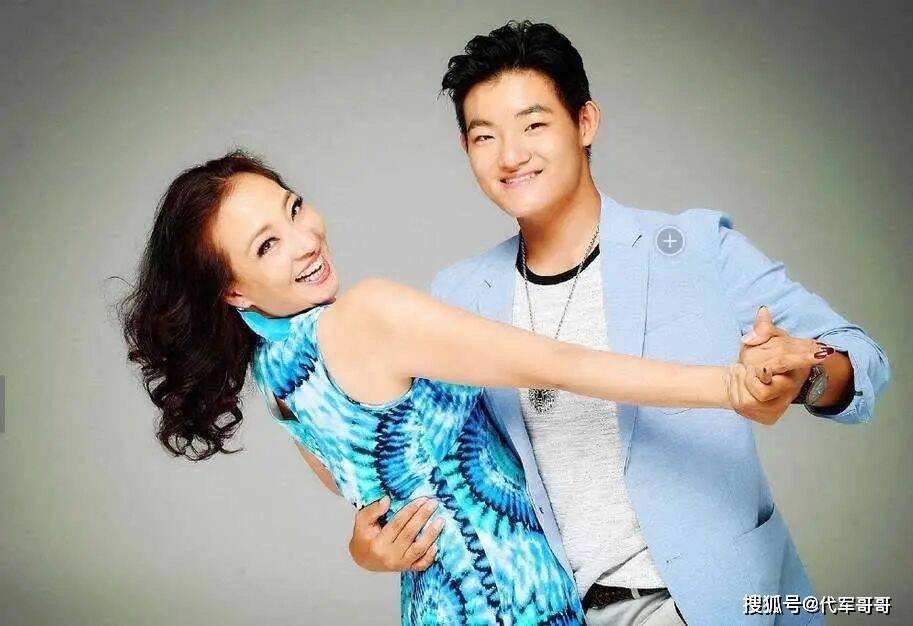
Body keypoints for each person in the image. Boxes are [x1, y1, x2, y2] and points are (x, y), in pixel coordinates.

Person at [119, 150, 826, 626]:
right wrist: (730, 384)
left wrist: (364, 552)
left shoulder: (277, 376)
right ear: (234, 290)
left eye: (294, 208)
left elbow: (370, 505)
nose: (305, 240)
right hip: (515, 599)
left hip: (437, 606)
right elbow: (557, 364)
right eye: (266, 245)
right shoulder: (367, 313)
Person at [344, 20, 892, 626]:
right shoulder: (456, 296)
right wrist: (371, 544)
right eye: (485, 136)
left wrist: (808, 375)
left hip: (714, 603)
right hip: (553, 610)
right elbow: (426, 457)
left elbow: (860, 357)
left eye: (533, 125)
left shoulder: (694, 248)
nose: (510, 155)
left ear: (585, 122)